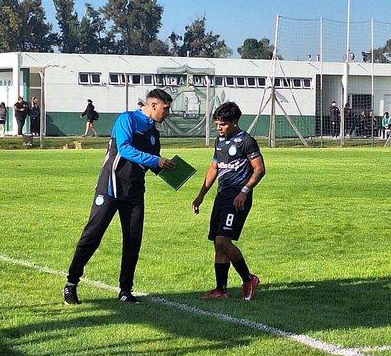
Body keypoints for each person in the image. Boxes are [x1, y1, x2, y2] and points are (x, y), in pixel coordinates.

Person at [63, 90, 175, 305]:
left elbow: (150, 164)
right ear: (153, 106)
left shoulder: (154, 133)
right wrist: (156, 160)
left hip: (134, 191)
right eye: (166, 108)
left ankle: (125, 290)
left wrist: (172, 171)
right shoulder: (127, 119)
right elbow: (124, 149)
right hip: (110, 187)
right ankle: (71, 284)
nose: (167, 113)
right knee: (92, 236)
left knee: (133, 241)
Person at [191, 101, 265, 300]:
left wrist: (244, 190)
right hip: (221, 197)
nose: (219, 128)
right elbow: (214, 168)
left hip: (237, 199)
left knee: (224, 241)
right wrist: (201, 195)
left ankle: (249, 279)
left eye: (222, 125)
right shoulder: (219, 141)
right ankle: (221, 289)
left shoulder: (246, 141)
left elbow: (259, 169)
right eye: (216, 124)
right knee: (217, 243)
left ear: (233, 122)